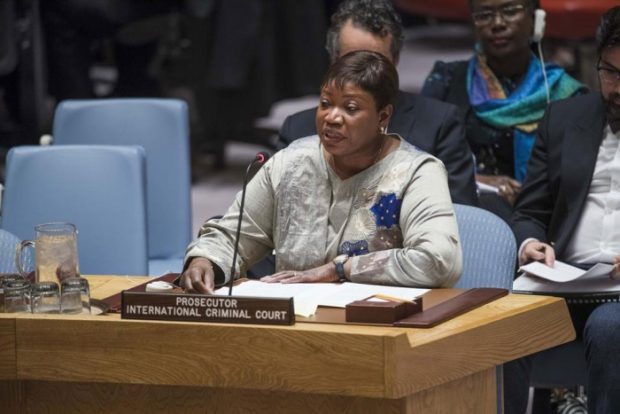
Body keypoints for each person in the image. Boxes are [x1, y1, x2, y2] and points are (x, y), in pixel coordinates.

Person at [181, 50, 462, 293]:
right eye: (326, 103)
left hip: (379, 330)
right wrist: (205, 261)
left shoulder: (416, 173)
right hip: (295, 325)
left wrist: (340, 270)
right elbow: (234, 236)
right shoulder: (290, 163)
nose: (332, 117)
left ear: (383, 116)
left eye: (350, 108)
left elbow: (439, 261)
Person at [511, 6, 620, 413]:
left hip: (618, 302)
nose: (618, 88)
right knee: (495, 319)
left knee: (610, 327)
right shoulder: (563, 118)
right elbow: (529, 210)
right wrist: (529, 244)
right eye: (610, 73)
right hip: (564, 283)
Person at [278, 0, 478, 206]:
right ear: (333, 59)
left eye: (376, 63)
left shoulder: (439, 124)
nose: (364, 76)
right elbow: (276, 214)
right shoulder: (298, 130)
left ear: (396, 60)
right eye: (352, 61)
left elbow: (460, 215)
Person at [421, 0, 585, 221]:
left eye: (510, 11)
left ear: (535, 19)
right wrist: (476, 180)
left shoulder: (564, 92)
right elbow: (416, 161)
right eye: (484, 14)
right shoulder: (447, 81)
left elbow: (580, 175)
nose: (497, 23)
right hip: (465, 217)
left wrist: (532, 194)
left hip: (544, 221)